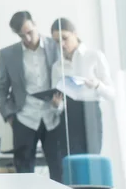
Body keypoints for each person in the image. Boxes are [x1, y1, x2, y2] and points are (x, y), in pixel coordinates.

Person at [0, 11, 64, 182]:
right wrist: (9, 115)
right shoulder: (8, 54)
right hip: (24, 117)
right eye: (21, 35)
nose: (27, 38)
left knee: (58, 168)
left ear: (35, 23)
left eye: (29, 32)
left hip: (52, 115)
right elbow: (1, 88)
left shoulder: (54, 46)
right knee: (24, 173)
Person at [50, 18, 114, 155]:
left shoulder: (94, 56)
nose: (61, 44)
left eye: (65, 38)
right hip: (68, 117)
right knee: (70, 162)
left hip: (90, 111)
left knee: (92, 160)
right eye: (57, 41)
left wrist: (97, 85)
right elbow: (58, 105)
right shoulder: (57, 67)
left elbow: (112, 94)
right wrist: (56, 105)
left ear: (75, 33)